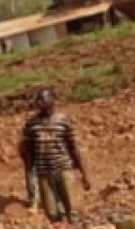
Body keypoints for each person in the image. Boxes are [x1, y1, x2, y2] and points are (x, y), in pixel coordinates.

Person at [19, 87, 91, 222]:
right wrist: (31, 181)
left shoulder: (63, 121)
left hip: (64, 169)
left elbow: (74, 148)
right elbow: (28, 152)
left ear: (52, 100)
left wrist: (84, 174)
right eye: (38, 99)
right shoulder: (31, 124)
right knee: (52, 214)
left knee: (74, 211)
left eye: (42, 99)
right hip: (44, 174)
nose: (38, 102)